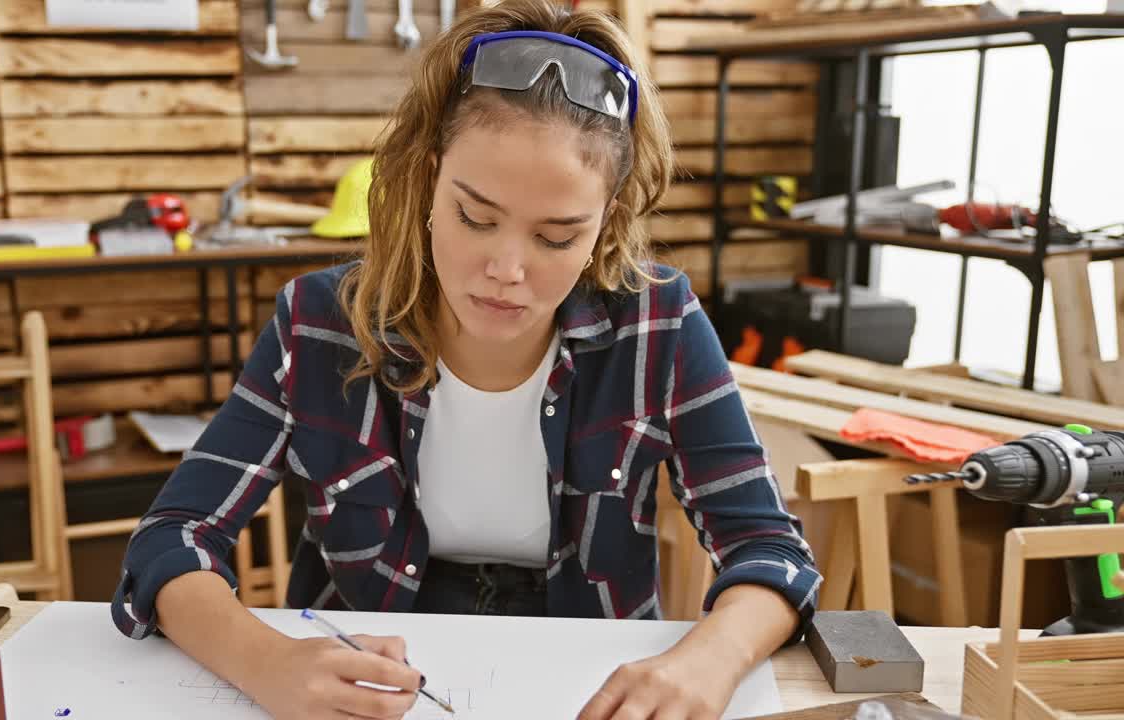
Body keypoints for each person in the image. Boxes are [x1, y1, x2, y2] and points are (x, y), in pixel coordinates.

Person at [111, 1, 821, 718]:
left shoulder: (658, 322)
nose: (506, 269)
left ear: (606, 221)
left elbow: (769, 551)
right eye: (475, 218)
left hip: (590, 675)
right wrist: (266, 662)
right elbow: (172, 539)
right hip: (376, 675)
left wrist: (710, 658)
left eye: (556, 237)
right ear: (426, 179)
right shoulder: (318, 323)